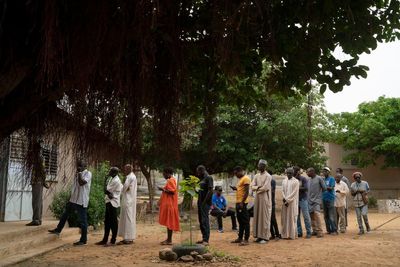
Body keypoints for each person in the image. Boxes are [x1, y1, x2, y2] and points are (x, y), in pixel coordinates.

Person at [48, 160, 92, 246]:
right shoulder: (77, 174)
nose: (78, 167)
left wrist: (79, 174)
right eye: (78, 165)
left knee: (83, 220)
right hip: (74, 199)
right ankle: (58, 230)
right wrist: (71, 196)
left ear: (85, 166)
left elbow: (81, 183)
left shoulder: (88, 173)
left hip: (81, 200)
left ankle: (83, 240)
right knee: (65, 214)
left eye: (80, 165)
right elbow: (75, 186)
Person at [96, 167, 123, 246]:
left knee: (113, 222)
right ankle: (105, 239)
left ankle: (113, 240)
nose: (109, 172)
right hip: (109, 201)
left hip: (112, 203)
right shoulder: (113, 178)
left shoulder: (116, 180)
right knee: (107, 222)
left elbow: (106, 190)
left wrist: (105, 180)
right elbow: (107, 191)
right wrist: (107, 191)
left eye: (110, 171)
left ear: (114, 173)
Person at [26, 144, 49, 226]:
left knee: (36, 201)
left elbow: (43, 170)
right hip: (38, 181)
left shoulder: (38, 157)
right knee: (38, 201)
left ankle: (36, 220)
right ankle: (38, 219)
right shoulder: (39, 157)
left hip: (37, 181)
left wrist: (44, 181)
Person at [251, 159, 272, 244]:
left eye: (260, 165)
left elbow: (265, 188)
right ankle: (259, 236)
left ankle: (265, 237)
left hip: (265, 198)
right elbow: (252, 186)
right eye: (258, 165)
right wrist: (258, 188)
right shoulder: (256, 176)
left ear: (264, 166)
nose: (259, 166)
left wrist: (257, 188)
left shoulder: (268, 176)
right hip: (257, 198)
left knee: (264, 217)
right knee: (257, 217)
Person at [158, 167, 180, 245]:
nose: (163, 175)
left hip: (170, 204)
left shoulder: (171, 180)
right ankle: (168, 239)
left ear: (167, 173)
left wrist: (162, 189)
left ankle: (169, 240)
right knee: (168, 222)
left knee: (169, 222)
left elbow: (172, 191)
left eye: (164, 173)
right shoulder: (171, 180)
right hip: (169, 204)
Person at [230, 166, 251, 246]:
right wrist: (235, 188)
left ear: (240, 171)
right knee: (240, 221)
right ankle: (240, 238)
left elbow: (246, 192)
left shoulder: (246, 178)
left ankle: (246, 239)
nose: (236, 175)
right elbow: (241, 189)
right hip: (238, 202)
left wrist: (242, 202)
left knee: (245, 221)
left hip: (242, 203)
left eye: (236, 173)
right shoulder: (240, 180)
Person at [117, 164, 137, 245]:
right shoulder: (133, 176)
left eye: (125, 169)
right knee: (129, 218)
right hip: (130, 200)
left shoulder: (129, 177)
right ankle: (129, 237)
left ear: (129, 169)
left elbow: (125, 188)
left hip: (128, 200)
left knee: (127, 218)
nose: (124, 170)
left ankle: (127, 238)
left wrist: (121, 187)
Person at [196, 165, 214, 246]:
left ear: (201, 170)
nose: (197, 173)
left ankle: (206, 240)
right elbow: (199, 192)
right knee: (201, 220)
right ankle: (203, 238)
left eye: (198, 172)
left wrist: (204, 202)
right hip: (200, 203)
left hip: (205, 203)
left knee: (205, 220)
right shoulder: (201, 179)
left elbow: (210, 191)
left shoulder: (208, 178)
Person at [306, 167, 326, 238]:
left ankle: (320, 231)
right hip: (309, 201)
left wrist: (319, 197)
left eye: (308, 172)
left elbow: (324, 188)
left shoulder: (319, 178)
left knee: (317, 215)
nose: (307, 173)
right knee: (311, 216)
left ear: (312, 172)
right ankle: (314, 230)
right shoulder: (308, 180)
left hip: (317, 201)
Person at [281, 168, 300, 240]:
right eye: (287, 173)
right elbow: (282, 190)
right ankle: (285, 234)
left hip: (292, 203)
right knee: (285, 218)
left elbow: (294, 193)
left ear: (293, 174)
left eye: (290, 173)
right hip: (285, 202)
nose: (288, 174)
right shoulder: (284, 181)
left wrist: (287, 200)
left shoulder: (296, 181)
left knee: (292, 218)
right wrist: (284, 199)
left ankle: (292, 235)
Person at [294, 166, 312, 238]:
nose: (294, 172)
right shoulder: (293, 179)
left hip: (303, 199)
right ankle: (299, 232)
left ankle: (308, 232)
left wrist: (296, 188)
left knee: (306, 216)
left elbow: (306, 188)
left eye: (295, 171)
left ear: (298, 171)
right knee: (297, 217)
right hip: (296, 200)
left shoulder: (303, 179)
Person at [321, 167, 338, 235]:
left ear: (328, 172)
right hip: (324, 198)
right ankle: (328, 230)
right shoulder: (322, 179)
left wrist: (324, 187)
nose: (324, 172)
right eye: (323, 171)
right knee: (326, 216)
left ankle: (334, 230)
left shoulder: (332, 179)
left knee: (331, 215)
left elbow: (331, 188)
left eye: (326, 171)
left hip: (330, 198)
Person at [269, 170, 281, 240]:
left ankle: (277, 234)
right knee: (269, 219)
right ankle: (272, 234)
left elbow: (272, 191)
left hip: (271, 203)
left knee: (273, 219)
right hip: (267, 203)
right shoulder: (267, 181)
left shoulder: (272, 181)